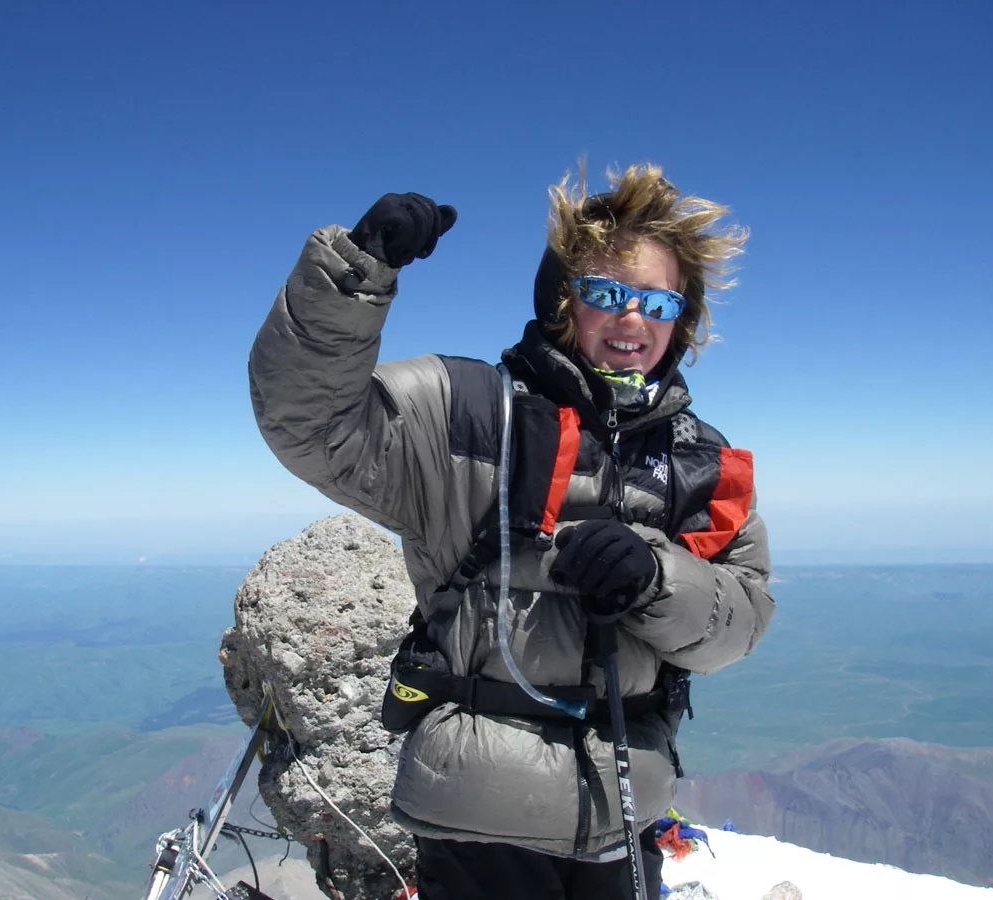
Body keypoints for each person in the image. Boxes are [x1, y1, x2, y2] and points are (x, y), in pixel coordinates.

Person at [250, 164, 774, 900]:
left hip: (623, 811)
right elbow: (308, 423)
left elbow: (738, 625)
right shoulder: (464, 410)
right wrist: (357, 271)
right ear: (563, 300)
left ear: (680, 320)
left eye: (658, 301)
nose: (633, 319)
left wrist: (657, 580)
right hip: (478, 821)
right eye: (606, 293)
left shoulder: (704, 464)